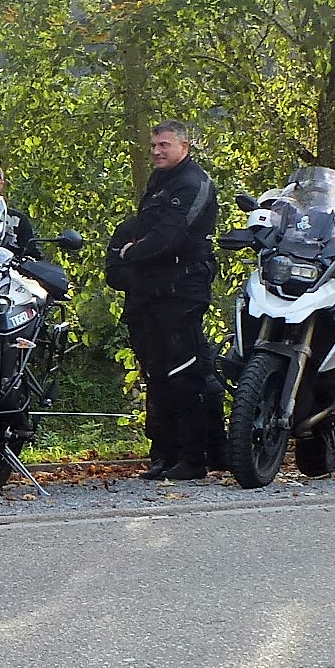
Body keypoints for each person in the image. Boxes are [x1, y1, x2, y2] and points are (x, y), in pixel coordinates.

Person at [105, 122, 223, 481]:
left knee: (185, 373)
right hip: (150, 293)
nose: (156, 151)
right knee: (156, 375)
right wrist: (130, 260)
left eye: (164, 145)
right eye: (154, 145)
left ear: (184, 147)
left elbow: (170, 236)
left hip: (182, 290)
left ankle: (195, 457)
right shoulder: (160, 181)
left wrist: (133, 253)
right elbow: (143, 233)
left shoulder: (193, 183)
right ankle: (164, 454)